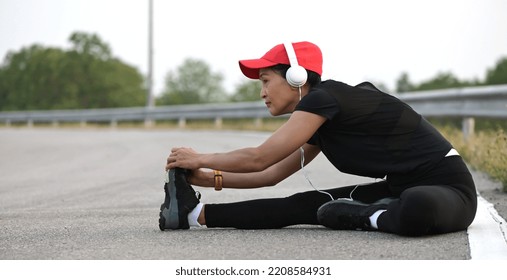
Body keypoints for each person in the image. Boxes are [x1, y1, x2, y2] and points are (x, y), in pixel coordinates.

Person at [159, 41, 477, 236]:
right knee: (304, 204)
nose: (262, 93)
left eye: (266, 81)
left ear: (297, 76)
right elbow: (271, 175)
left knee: (419, 205)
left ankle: (369, 217)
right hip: (399, 189)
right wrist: (207, 179)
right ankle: (194, 215)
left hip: (449, 191)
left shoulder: (325, 99)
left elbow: (260, 157)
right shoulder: (318, 119)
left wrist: (199, 157)